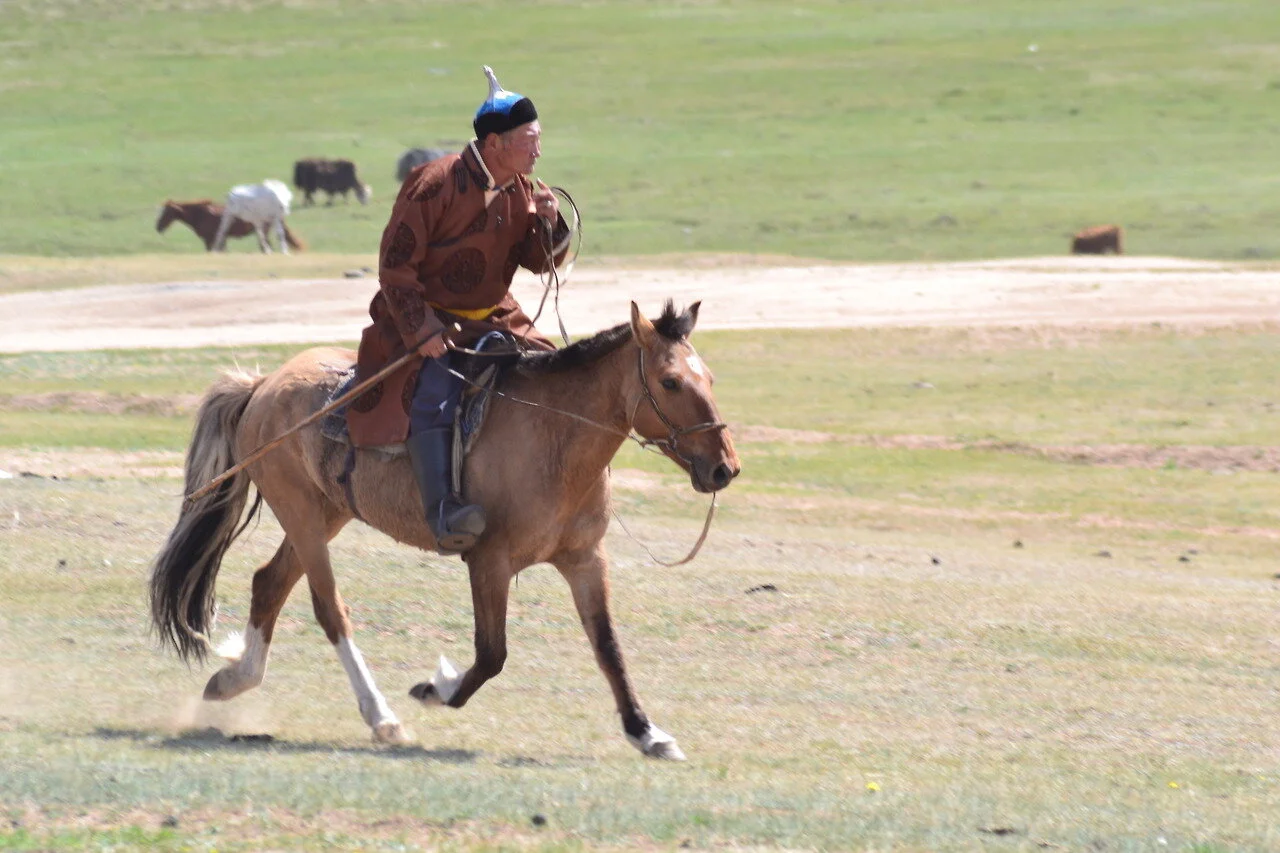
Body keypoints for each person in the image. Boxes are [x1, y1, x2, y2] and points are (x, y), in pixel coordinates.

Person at [348, 66, 572, 554]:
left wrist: (549, 226)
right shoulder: (433, 183)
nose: (538, 150)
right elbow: (395, 267)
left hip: (494, 314)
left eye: (539, 139)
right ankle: (444, 509)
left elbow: (538, 264)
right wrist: (422, 329)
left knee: (553, 374)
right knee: (438, 391)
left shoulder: (520, 190)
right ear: (494, 143)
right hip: (431, 317)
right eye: (529, 139)